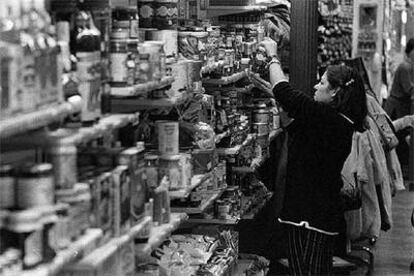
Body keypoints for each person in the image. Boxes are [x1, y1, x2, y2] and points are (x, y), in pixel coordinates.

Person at [250, 37, 368, 275]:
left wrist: (274, 57)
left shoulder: (330, 119)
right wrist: (275, 96)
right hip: (304, 213)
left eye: (322, 83)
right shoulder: (330, 121)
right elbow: (296, 131)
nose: (315, 86)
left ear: (335, 91)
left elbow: (287, 93)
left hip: (313, 215)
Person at [384, 38, 414, 166]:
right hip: (396, 108)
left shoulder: (409, 66)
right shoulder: (405, 67)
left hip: (401, 107)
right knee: (398, 139)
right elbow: (409, 89)